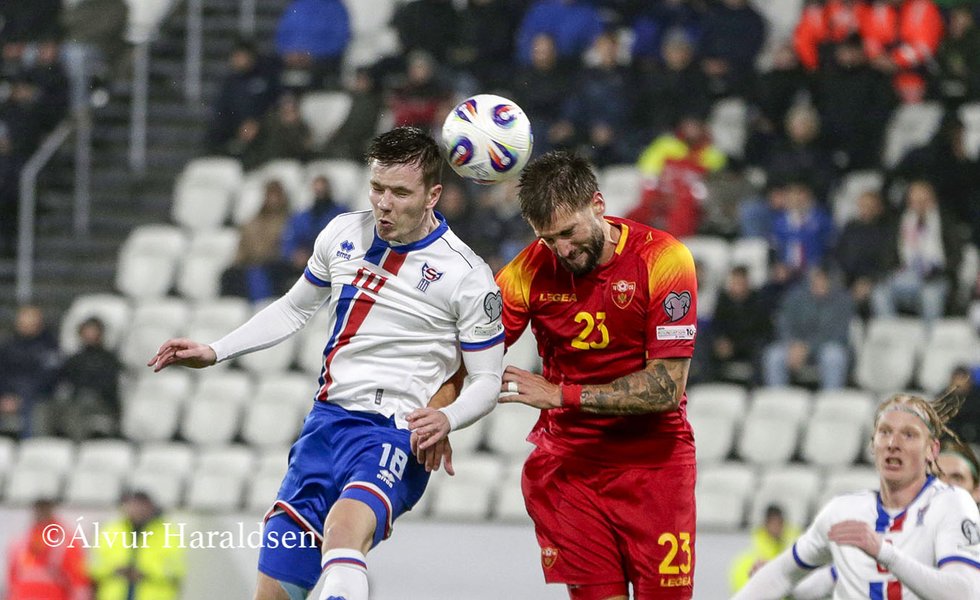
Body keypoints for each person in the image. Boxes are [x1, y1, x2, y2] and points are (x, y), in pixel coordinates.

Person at [147, 127, 505, 600]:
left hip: (393, 432)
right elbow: (294, 308)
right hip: (324, 426)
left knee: (343, 533)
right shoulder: (342, 233)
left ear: (432, 195)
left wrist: (447, 418)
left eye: (400, 193)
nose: (384, 204)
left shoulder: (467, 275)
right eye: (377, 188)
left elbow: (487, 379)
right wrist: (216, 350)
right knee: (273, 593)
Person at [496, 151, 699, 599]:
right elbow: (471, 351)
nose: (562, 250)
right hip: (572, 471)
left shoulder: (665, 258)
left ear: (598, 205)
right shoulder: (528, 270)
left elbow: (666, 388)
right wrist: (442, 417)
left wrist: (562, 395)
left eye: (569, 232)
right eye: (549, 239)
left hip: (655, 469)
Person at [733, 392, 980, 599]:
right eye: (885, 432)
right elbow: (782, 575)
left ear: (932, 450)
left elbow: (966, 594)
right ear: (873, 444)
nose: (893, 443)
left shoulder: (951, 504)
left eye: (909, 434)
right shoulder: (843, 512)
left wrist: (885, 553)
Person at [762, 265, 853, 390]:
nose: (820, 282)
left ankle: (831, 398)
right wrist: (792, 344)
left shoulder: (843, 300)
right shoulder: (795, 296)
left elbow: (839, 334)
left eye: (824, 278)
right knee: (774, 356)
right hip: (795, 346)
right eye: (816, 278)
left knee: (834, 356)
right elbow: (784, 323)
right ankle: (777, 397)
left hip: (824, 347)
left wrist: (807, 347)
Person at [88, 491, 185, 600]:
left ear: (151, 507)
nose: (138, 510)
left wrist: (146, 573)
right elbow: (94, 565)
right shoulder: (111, 530)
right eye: (134, 505)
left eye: (142, 505)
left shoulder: (167, 533)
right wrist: (116, 569)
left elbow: (176, 569)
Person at [52, 317, 122, 440]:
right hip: (75, 401)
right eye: (87, 331)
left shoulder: (109, 359)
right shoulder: (74, 360)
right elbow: (64, 382)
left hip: (102, 404)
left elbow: (110, 388)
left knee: (82, 403)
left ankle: (77, 442)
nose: (90, 335)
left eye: (93, 331)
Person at [5, 499, 91, 600]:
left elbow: (79, 584)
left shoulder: (66, 544)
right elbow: (12, 583)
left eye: (44, 509)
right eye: (39, 509)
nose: (41, 513)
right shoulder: (21, 543)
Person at [729, 504, 802, 593]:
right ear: (765, 525)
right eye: (772, 523)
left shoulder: (795, 553)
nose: (776, 527)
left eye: (779, 523)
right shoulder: (747, 561)